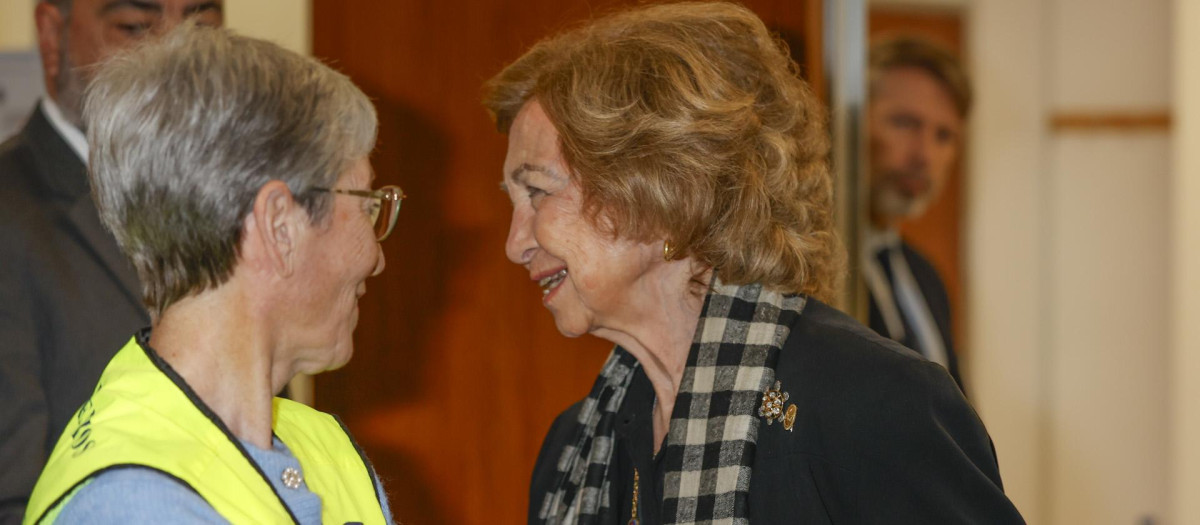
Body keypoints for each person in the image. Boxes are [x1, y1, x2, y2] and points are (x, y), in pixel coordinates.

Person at [483, 3, 1023, 523]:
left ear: (663, 192)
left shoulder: (875, 405)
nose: (516, 243)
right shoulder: (574, 448)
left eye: (537, 193)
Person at [22, 23, 401, 524]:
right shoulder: (130, 504)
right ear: (279, 225)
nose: (376, 256)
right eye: (365, 203)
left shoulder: (323, 447)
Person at [0, 1, 223, 519]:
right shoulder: (10, 212)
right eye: (136, 28)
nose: (177, 60)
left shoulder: (245, 206)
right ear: (52, 34)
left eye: (201, 27)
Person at [864, 36, 971, 390]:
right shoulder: (805, 268)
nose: (924, 156)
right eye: (905, 123)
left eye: (943, 135)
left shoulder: (926, 277)